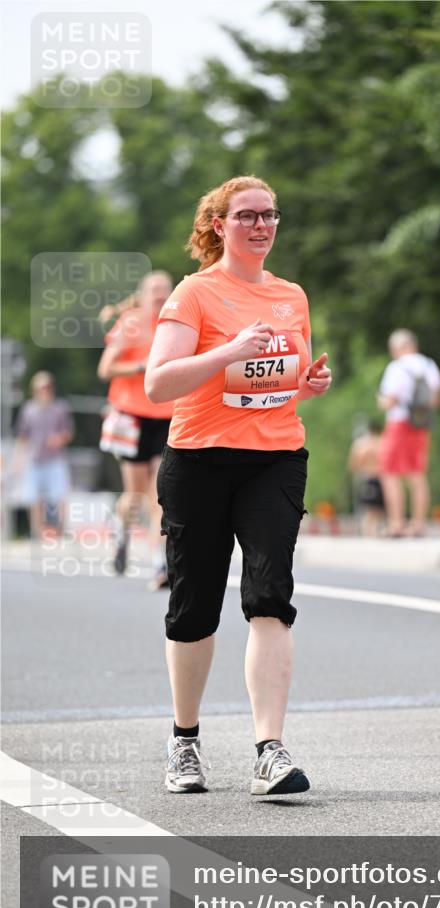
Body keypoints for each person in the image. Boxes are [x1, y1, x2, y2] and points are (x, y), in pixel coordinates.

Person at [145, 175, 332, 795]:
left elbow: (280, 379)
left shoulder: (291, 296)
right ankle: (185, 741)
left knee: (270, 595)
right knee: (195, 607)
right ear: (220, 225)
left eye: (270, 215)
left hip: (275, 456)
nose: (261, 225)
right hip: (198, 459)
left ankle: (269, 750)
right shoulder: (195, 294)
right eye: (247, 215)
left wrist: (308, 386)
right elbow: (159, 384)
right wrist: (228, 351)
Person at [97, 271, 174, 590]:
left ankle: (162, 562)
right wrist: (142, 367)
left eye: (164, 290)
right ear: (142, 295)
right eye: (153, 290)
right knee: (135, 494)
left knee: (162, 494)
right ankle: (121, 532)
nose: (159, 295)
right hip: (132, 417)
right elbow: (105, 368)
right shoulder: (130, 322)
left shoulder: (176, 323)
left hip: (166, 415)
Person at [377, 328, 440, 537]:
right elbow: (435, 400)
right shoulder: (429, 365)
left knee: (390, 472)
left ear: (399, 347)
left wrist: (381, 401)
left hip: (399, 423)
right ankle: (418, 524)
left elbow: (390, 400)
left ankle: (396, 523)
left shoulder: (397, 367)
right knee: (417, 473)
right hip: (421, 424)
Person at [12, 371, 73, 538]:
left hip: (55, 459)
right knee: (33, 498)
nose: (45, 391)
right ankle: (37, 533)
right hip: (34, 459)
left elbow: (68, 433)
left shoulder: (59, 408)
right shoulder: (28, 410)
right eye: (41, 388)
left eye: (47, 387)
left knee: (60, 495)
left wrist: (59, 439)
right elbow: (23, 437)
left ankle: (63, 530)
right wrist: (18, 460)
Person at [347, 418, 385, 536]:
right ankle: (369, 533)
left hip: (375, 478)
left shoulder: (362, 444)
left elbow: (352, 464)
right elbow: (354, 463)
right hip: (371, 477)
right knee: (372, 509)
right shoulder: (366, 444)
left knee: (377, 509)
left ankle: (371, 532)